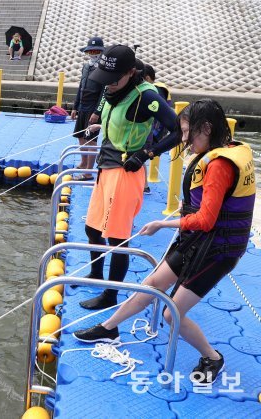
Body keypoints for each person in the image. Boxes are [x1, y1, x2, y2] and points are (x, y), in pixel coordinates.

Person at [73, 99, 256, 384]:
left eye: (187, 133)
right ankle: (110, 327)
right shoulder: (227, 149)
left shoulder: (220, 164)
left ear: (206, 128)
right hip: (197, 239)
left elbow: (207, 220)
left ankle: (212, 356)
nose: (184, 140)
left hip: (218, 250)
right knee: (153, 284)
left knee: (172, 314)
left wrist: (162, 224)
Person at [77, 45, 180, 310]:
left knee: (116, 237)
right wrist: (101, 125)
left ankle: (110, 297)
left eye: (113, 80)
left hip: (125, 172)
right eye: (105, 80)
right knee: (92, 229)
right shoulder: (114, 91)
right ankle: (96, 274)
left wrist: (146, 153)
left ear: (131, 72)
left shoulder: (146, 97)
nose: (108, 85)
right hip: (106, 167)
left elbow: (178, 131)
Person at [71, 36, 105, 179]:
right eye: (90, 51)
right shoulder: (86, 67)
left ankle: (88, 172)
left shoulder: (103, 69)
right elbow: (81, 87)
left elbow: (104, 93)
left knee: (91, 139)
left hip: (93, 107)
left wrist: (97, 112)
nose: (93, 54)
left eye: (96, 51)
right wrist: (75, 106)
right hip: (83, 106)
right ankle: (84, 162)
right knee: (80, 136)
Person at [142, 64, 173, 194]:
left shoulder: (153, 91)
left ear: (147, 78)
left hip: (149, 131)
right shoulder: (157, 90)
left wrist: (154, 136)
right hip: (152, 130)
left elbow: (156, 116)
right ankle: (144, 184)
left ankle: (144, 185)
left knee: (139, 156)